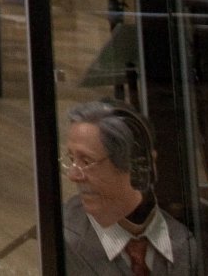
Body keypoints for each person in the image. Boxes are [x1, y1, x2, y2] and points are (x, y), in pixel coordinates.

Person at [61, 99, 200, 275]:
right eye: (72, 160)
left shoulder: (186, 244)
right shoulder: (58, 241)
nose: (73, 176)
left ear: (138, 167)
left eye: (87, 161)